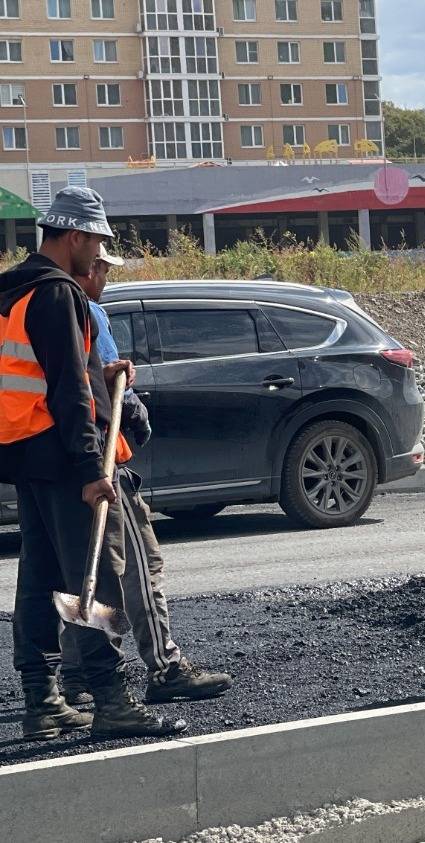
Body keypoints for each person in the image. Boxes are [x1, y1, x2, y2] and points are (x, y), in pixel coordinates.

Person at [1, 186, 184, 740]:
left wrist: (97, 377)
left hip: (22, 454)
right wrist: (90, 471)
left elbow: (37, 375)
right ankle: (111, 700)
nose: (99, 253)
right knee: (97, 578)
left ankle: (43, 701)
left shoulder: (12, 290)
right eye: (98, 241)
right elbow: (63, 393)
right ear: (75, 236)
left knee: (38, 579)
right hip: (61, 457)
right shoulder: (60, 294)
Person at [57, 243, 234, 708]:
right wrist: (137, 420)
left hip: (68, 466)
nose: (106, 279)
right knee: (140, 565)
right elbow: (112, 393)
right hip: (105, 465)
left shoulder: (44, 309)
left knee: (86, 574)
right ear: (90, 267)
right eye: (104, 269)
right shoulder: (89, 312)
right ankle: (165, 667)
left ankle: (74, 676)